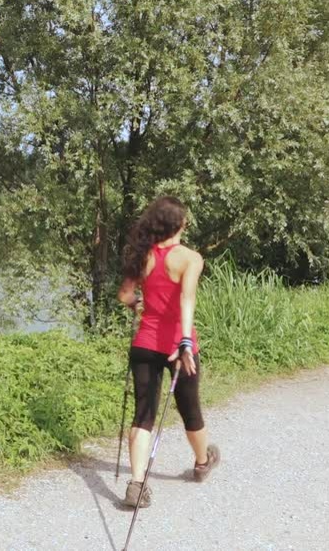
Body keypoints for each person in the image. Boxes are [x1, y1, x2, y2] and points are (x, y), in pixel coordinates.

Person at [116, 196, 220, 508]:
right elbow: (187, 299)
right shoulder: (190, 258)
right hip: (178, 346)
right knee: (190, 409)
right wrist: (185, 341)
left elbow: (125, 294)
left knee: (143, 415)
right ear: (181, 224)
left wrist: (139, 305)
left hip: (144, 345)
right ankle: (202, 462)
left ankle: (137, 484)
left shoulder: (142, 256)